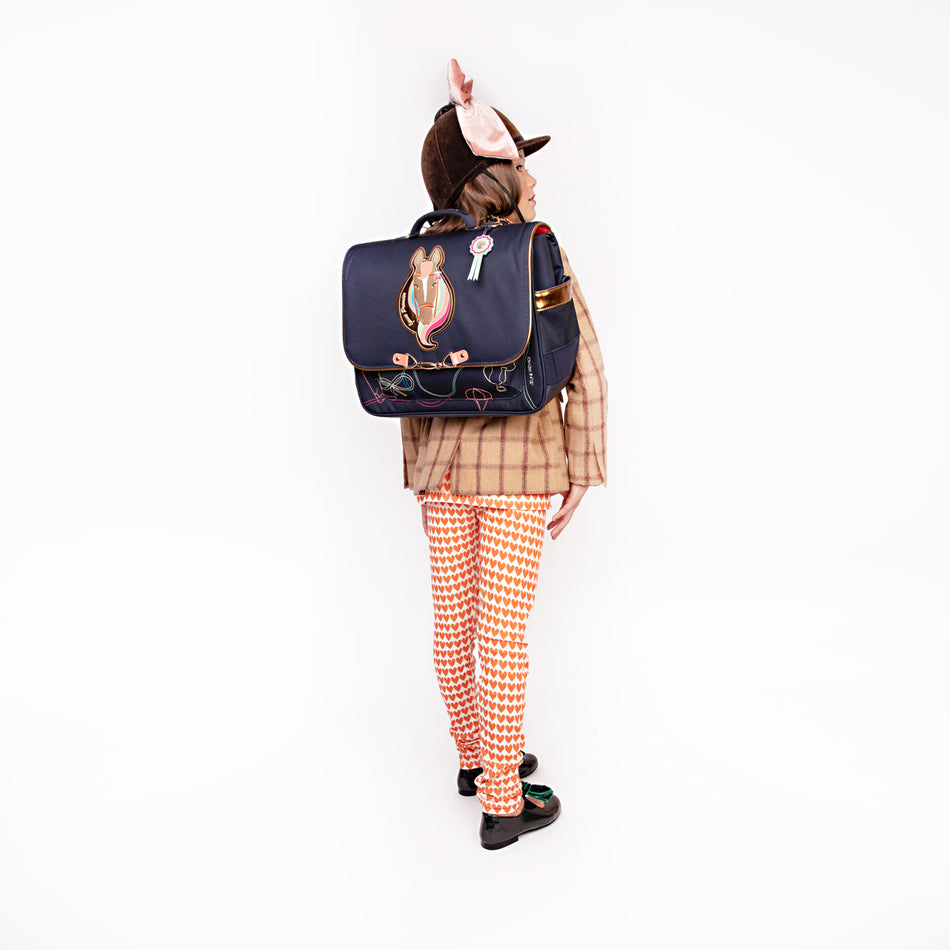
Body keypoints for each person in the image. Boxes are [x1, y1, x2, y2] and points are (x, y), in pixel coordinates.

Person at [400, 61, 608, 850]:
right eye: (522, 164)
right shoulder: (537, 253)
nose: (534, 178)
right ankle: (503, 799)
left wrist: (418, 474)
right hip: (521, 472)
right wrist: (583, 468)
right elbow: (586, 365)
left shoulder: (420, 266)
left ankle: (473, 756)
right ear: (495, 180)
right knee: (504, 634)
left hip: (444, 473)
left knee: (454, 627)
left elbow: (404, 372)